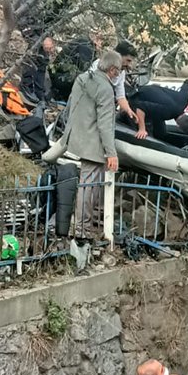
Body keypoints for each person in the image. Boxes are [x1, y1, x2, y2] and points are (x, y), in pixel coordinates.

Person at [60, 49, 121, 242]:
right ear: (112, 70)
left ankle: (81, 225)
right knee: (89, 186)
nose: (118, 75)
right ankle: (82, 229)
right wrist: (111, 153)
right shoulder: (105, 89)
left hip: (76, 136)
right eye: (118, 71)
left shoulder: (83, 78)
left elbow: (70, 106)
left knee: (86, 185)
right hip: (92, 144)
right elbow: (105, 124)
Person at [124, 80, 188, 142]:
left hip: (152, 92)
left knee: (161, 133)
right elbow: (140, 108)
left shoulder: (184, 101)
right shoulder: (167, 112)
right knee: (144, 127)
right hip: (137, 98)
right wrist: (142, 129)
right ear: (178, 127)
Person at [88, 40, 139, 124]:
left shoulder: (121, 73)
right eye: (128, 60)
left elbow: (121, 97)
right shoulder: (99, 65)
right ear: (118, 56)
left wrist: (129, 112)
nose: (129, 65)